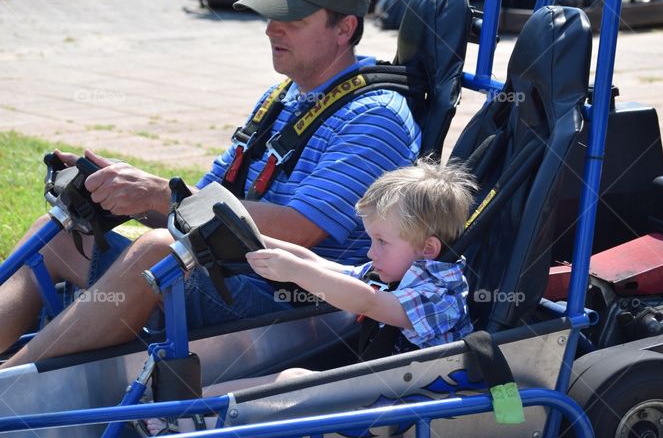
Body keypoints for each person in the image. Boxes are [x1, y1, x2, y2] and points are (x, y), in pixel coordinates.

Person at [0, 0, 420, 366]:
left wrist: (157, 195)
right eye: (271, 16)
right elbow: (200, 205)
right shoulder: (284, 97)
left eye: (292, 20)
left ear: (344, 28)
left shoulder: (374, 117)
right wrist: (123, 191)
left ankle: (12, 383)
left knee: (160, 251)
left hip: (303, 305)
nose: (272, 30)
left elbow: (298, 231)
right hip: (242, 276)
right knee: (54, 236)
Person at [146, 160, 475, 435]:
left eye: (381, 242)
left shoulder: (440, 294)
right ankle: (176, 410)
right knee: (280, 377)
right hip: (381, 389)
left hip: (411, 405)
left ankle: (183, 422)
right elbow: (321, 264)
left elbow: (369, 302)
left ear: (427, 249)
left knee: (295, 382)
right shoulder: (399, 269)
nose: (370, 251)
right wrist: (252, 238)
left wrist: (296, 273)